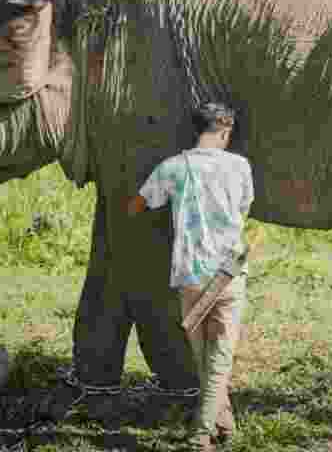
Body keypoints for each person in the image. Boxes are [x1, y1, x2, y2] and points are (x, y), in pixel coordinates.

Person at [127, 102, 254, 451]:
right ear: (226, 132)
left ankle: (222, 422)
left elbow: (136, 205)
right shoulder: (240, 167)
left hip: (190, 277)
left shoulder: (173, 168)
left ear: (197, 130)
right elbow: (244, 208)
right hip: (228, 274)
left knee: (204, 360)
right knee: (220, 360)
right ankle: (201, 435)